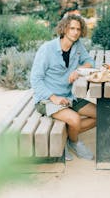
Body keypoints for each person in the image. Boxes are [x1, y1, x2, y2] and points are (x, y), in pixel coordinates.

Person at [30, 14, 96, 161]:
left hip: (68, 96)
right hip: (46, 100)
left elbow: (90, 61)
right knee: (75, 119)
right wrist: (54, 98)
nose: (75, 32)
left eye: (78, 29)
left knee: (100, 114)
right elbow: (35, 79)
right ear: (64, 29)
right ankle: (74, 141)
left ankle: (65, 137)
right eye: (72, 28)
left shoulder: (77, 46)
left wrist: (78, 70)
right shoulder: (47, 49)